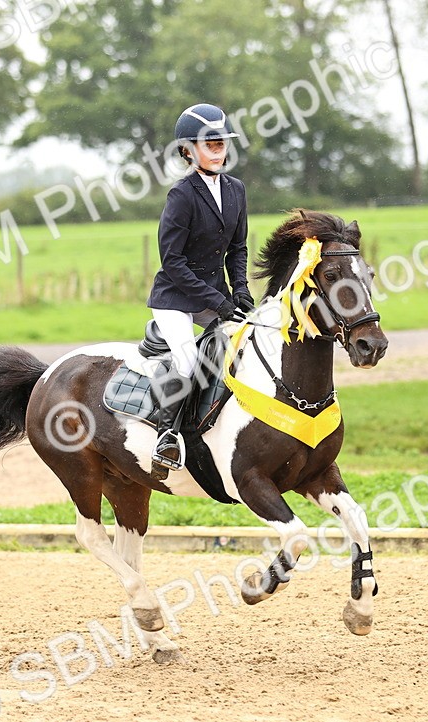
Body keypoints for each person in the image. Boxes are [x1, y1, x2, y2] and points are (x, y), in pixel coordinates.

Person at [147, 103, 254, 472]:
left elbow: (238, 248)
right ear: (188, 150)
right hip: (176, 297)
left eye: (222, 141)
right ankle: (167, 435)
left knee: (251, 343)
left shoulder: (236, 190)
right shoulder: (182, 195)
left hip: (214, 296)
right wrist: (218, 303)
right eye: (210, 142)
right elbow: (172, 263)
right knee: (189, 360)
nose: (219, 148)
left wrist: (240, 290)